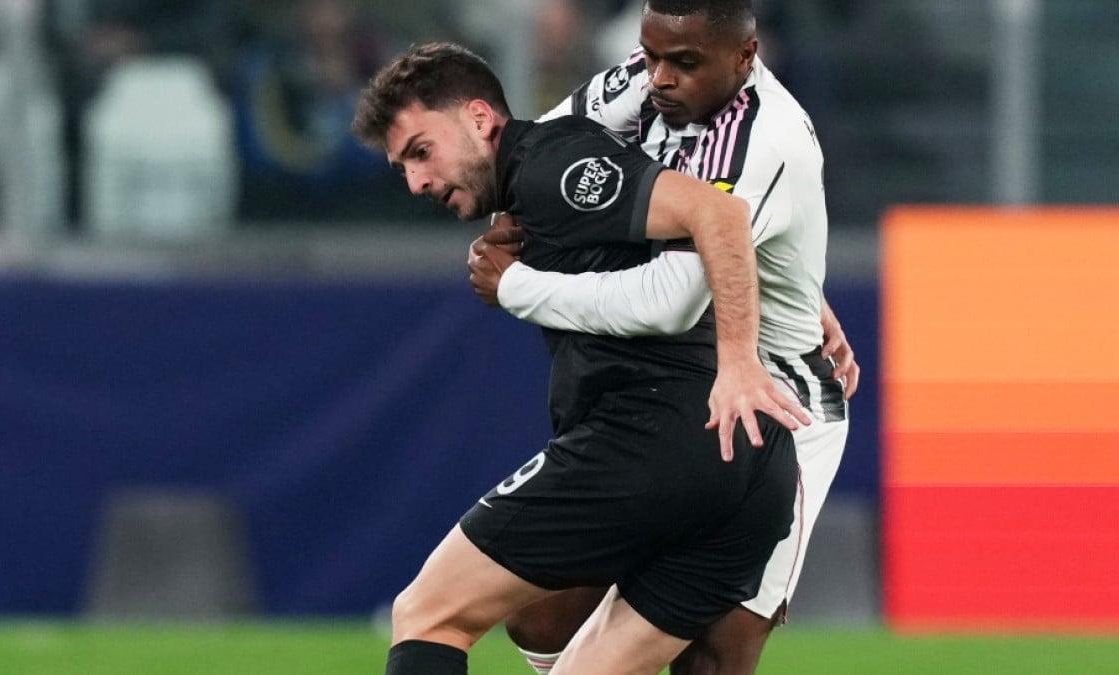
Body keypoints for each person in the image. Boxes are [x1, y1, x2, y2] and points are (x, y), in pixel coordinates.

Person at [352, 42, 808, 675]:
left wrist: (737, 360)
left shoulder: (551, 166)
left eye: (421, 152)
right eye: (402, 167)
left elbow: (718, 211)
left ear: (480, 119)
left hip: (657, 435)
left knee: (428, 613)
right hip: (754, 465)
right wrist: (799, 299)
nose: (416, 182)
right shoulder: (542, 182)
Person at [466, 2, 858, 673]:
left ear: (746, 56)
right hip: (671, 380)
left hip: (773, 398)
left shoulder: (765, 139)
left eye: (684, 62)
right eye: (650, 56)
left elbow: (671, 300)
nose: (660, 78)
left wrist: (517, 287)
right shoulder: (649, 81)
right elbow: (536, 151)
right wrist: (514, 212)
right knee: (541, 611)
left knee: (713, 649)